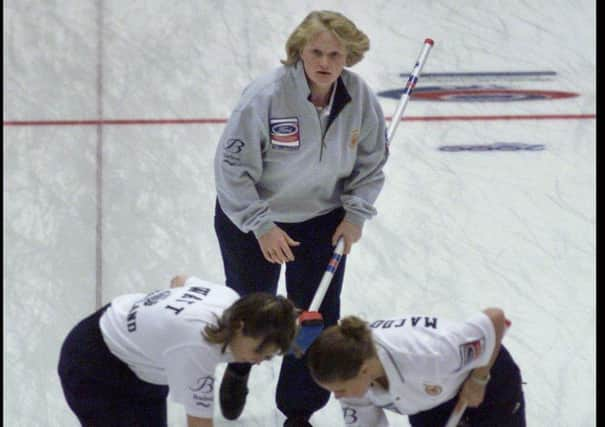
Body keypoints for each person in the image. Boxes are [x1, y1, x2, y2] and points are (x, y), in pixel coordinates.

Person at [213, 10, 389, 427]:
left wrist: (356, 214)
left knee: (314, 315)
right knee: (252, 308)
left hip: (322, 221)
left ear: (349, 56)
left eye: (335, 54)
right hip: (253, 217)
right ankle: (240, 368)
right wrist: (261, 225)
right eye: (316, 52)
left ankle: (298, 411)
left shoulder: (359, 98)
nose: (325, 62)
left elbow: (372, 164)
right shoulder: (265, 96)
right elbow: (231, 169)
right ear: (298, 52)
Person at [58, 275, 299, 427]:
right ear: (240, 326)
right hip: (92, 366)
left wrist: (161, 325)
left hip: (140, 362)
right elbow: (199, 424)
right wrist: (172, 328)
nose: (257, 362)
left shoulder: (229, 299)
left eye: (267, 357)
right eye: (258, 351)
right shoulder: (198, 349)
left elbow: (180, 281)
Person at [307, 308, 526, 426]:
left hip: (488, 383)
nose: (336, 397)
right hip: (427, 402)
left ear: (364, 370)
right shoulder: (352, 380)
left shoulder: (432, 354)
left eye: (340, 389)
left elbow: (495, 320)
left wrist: (479, 379)